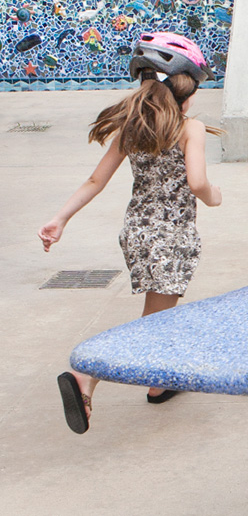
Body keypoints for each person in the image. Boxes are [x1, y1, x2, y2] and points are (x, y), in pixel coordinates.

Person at [40, 33, 223, 435]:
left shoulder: (132, 128)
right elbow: (197, 183)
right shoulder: (189, 128)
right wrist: (215, 197)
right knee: (152, 320)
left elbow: (95, 180)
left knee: (161, 316)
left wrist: (60, 218)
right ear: (183, 88)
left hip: (136, 232)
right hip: (171, 235)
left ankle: (160, 382)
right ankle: (87, 375)